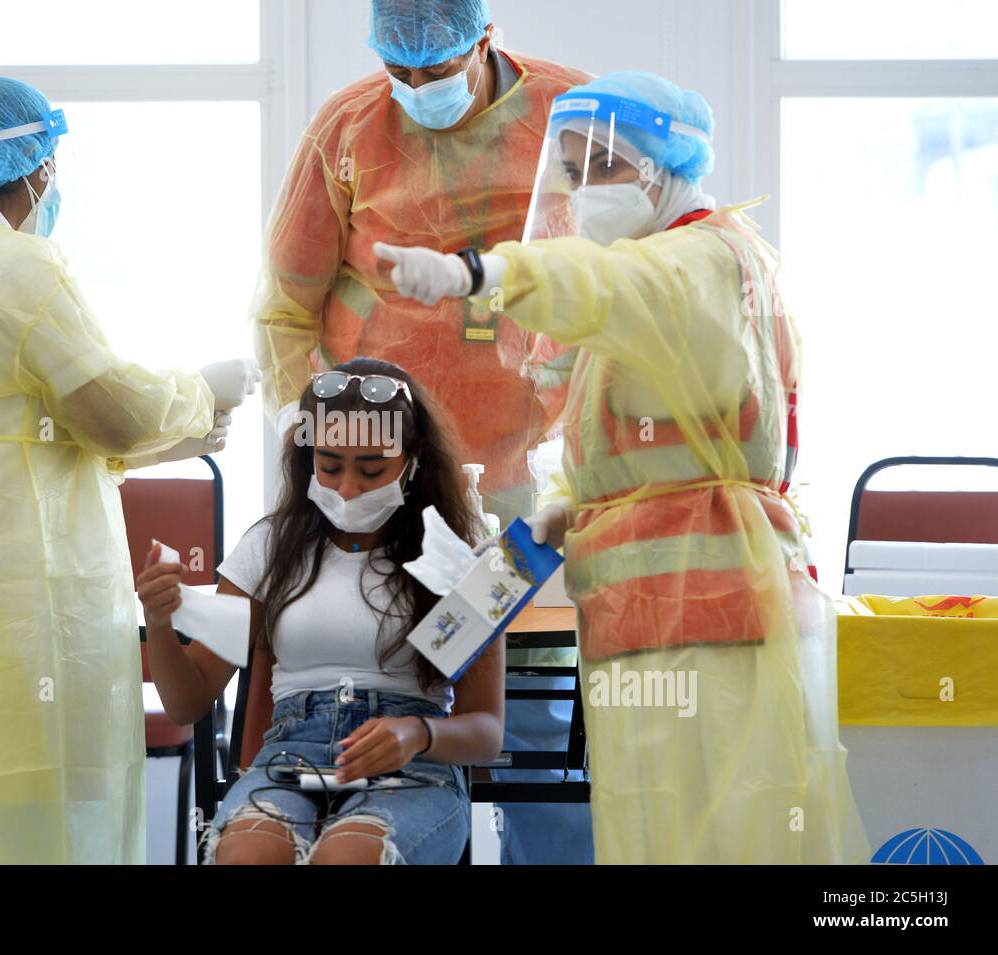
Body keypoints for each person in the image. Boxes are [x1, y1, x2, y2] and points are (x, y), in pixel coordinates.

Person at [377, 70, 871, 863]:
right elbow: (635, 440)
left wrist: (482, 274)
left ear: (667, 165)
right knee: (651, 833)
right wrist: (567, 504)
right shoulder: (654, 280)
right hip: (645, 620)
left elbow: (606, 284)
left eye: (606, 166)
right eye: (574, 172)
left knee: (728, 837)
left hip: (712, 616)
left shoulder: (701, 262)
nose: (585, 192)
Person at [0, 76, 259, 864]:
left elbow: (18, 424)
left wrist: (182, 437)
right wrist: (199, 391)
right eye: (54, 164)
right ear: (37, 166)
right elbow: (109, 411)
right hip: (8, 571)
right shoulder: (20, 268)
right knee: (32, 811)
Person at [251, 0, 595, 866]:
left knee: (530, 718)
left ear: (484, 39)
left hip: (521, 477)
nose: (414, 88)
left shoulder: (574, 117)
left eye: (435, 71)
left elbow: (614, 286)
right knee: (387, 691)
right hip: (372, 488)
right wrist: (315, 441)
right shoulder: (347, 129)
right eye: (397, 71)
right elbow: (284, 307)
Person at [137, 358, 504, 864]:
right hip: (290, 758)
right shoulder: (270, 547)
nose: (347, 488)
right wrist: (160, 622)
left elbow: (486, 732)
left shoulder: (458, 554)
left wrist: (418, 734)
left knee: (351, 855)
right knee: (247, 854)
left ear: (414, 457)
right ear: (307, 458)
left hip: (414, 766)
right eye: (329, 466)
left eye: (371, 469)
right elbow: (188, 703)